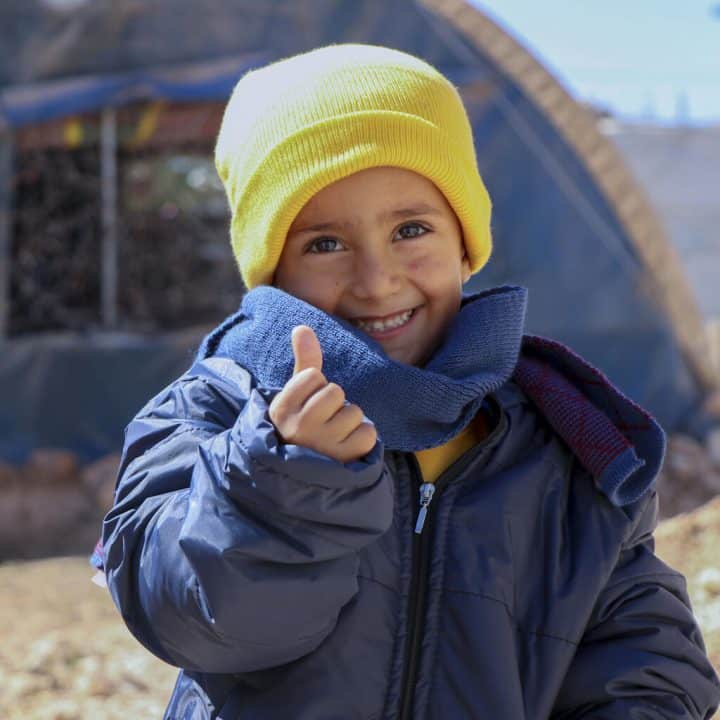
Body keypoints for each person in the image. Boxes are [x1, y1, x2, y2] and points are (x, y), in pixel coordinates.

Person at [95, 44, 720, 719]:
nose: (377, 280)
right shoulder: (210, 411)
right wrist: (287, 480)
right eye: (324, 243)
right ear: (271, 267)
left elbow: (636, 645)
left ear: (465, 243)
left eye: (411, 229)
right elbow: (185, 615)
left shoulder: (563, 439)